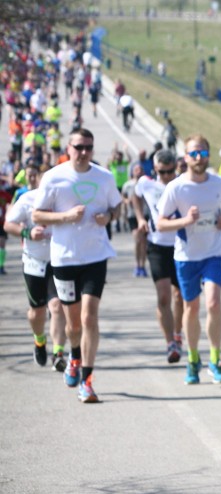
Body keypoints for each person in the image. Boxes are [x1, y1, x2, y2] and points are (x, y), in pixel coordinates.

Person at [32, 128, 123, 403]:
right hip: (63, 259)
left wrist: (109, 216)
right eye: (79, 147)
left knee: (88, 317)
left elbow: (117, 207)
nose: (84, 153)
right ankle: (74, 355)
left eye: (89, 148)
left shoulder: (104, 177)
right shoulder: (53, 177)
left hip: (94, 257)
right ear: (68, 148)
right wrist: (66, 216)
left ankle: (87, 379)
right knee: (73, 325)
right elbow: (37, 214)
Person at [156, 135, 221, 385]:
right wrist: (185, 221)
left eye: (202, 153)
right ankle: (193, 359)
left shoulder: (218, 182)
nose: (198, 158)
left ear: (208, 155)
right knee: (191, 308)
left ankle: (215, 359)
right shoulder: (176, 187)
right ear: (186, 157)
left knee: (213, 303)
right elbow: (160, 223)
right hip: (187, 256)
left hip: (213, 253)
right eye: (193, 153)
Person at [3, 162, 68, 371]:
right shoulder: (27, 199)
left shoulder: (62, 199)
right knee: (36, 312)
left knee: (57, 306)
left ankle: (58, 353)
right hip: (34, 262)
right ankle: (39, 341)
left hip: (58, 261)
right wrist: (27, 233)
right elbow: (8, 224)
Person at [132, 149, 184, 364]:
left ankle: (179, 333)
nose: (166, 176)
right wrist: (140, 218)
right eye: (162, 172)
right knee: (163, 297)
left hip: (181, 246)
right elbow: (134, 197)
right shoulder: (146, 184)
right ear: (155, 169)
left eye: (170, 171)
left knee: (180, 296)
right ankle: (170, 342)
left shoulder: (182, 184)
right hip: (157, 246)